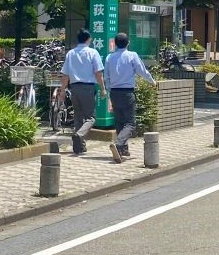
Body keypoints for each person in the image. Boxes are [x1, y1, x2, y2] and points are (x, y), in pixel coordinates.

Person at [104, 33, 154, 163]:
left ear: (115, 43)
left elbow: (106, 77)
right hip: (127, 92)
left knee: (119, 121)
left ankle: (123, 150)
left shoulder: (109, 57)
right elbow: (142, 71)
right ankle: (119, 144)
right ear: (128, 43)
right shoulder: (132, 55)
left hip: (114, 92)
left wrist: (109, 90)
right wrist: (152, 82)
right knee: (130, 123)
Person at [58, 29, 105, 155]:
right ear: (88, 39)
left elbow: (65, 74)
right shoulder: (92, 52)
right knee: (91, 118)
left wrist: (62, 90)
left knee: (78, 117)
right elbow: (98, 73)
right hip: (88, 88)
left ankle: (79, 147)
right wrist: (102, 88)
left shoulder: (71, 53)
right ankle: (79, 134)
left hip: (74, 88)